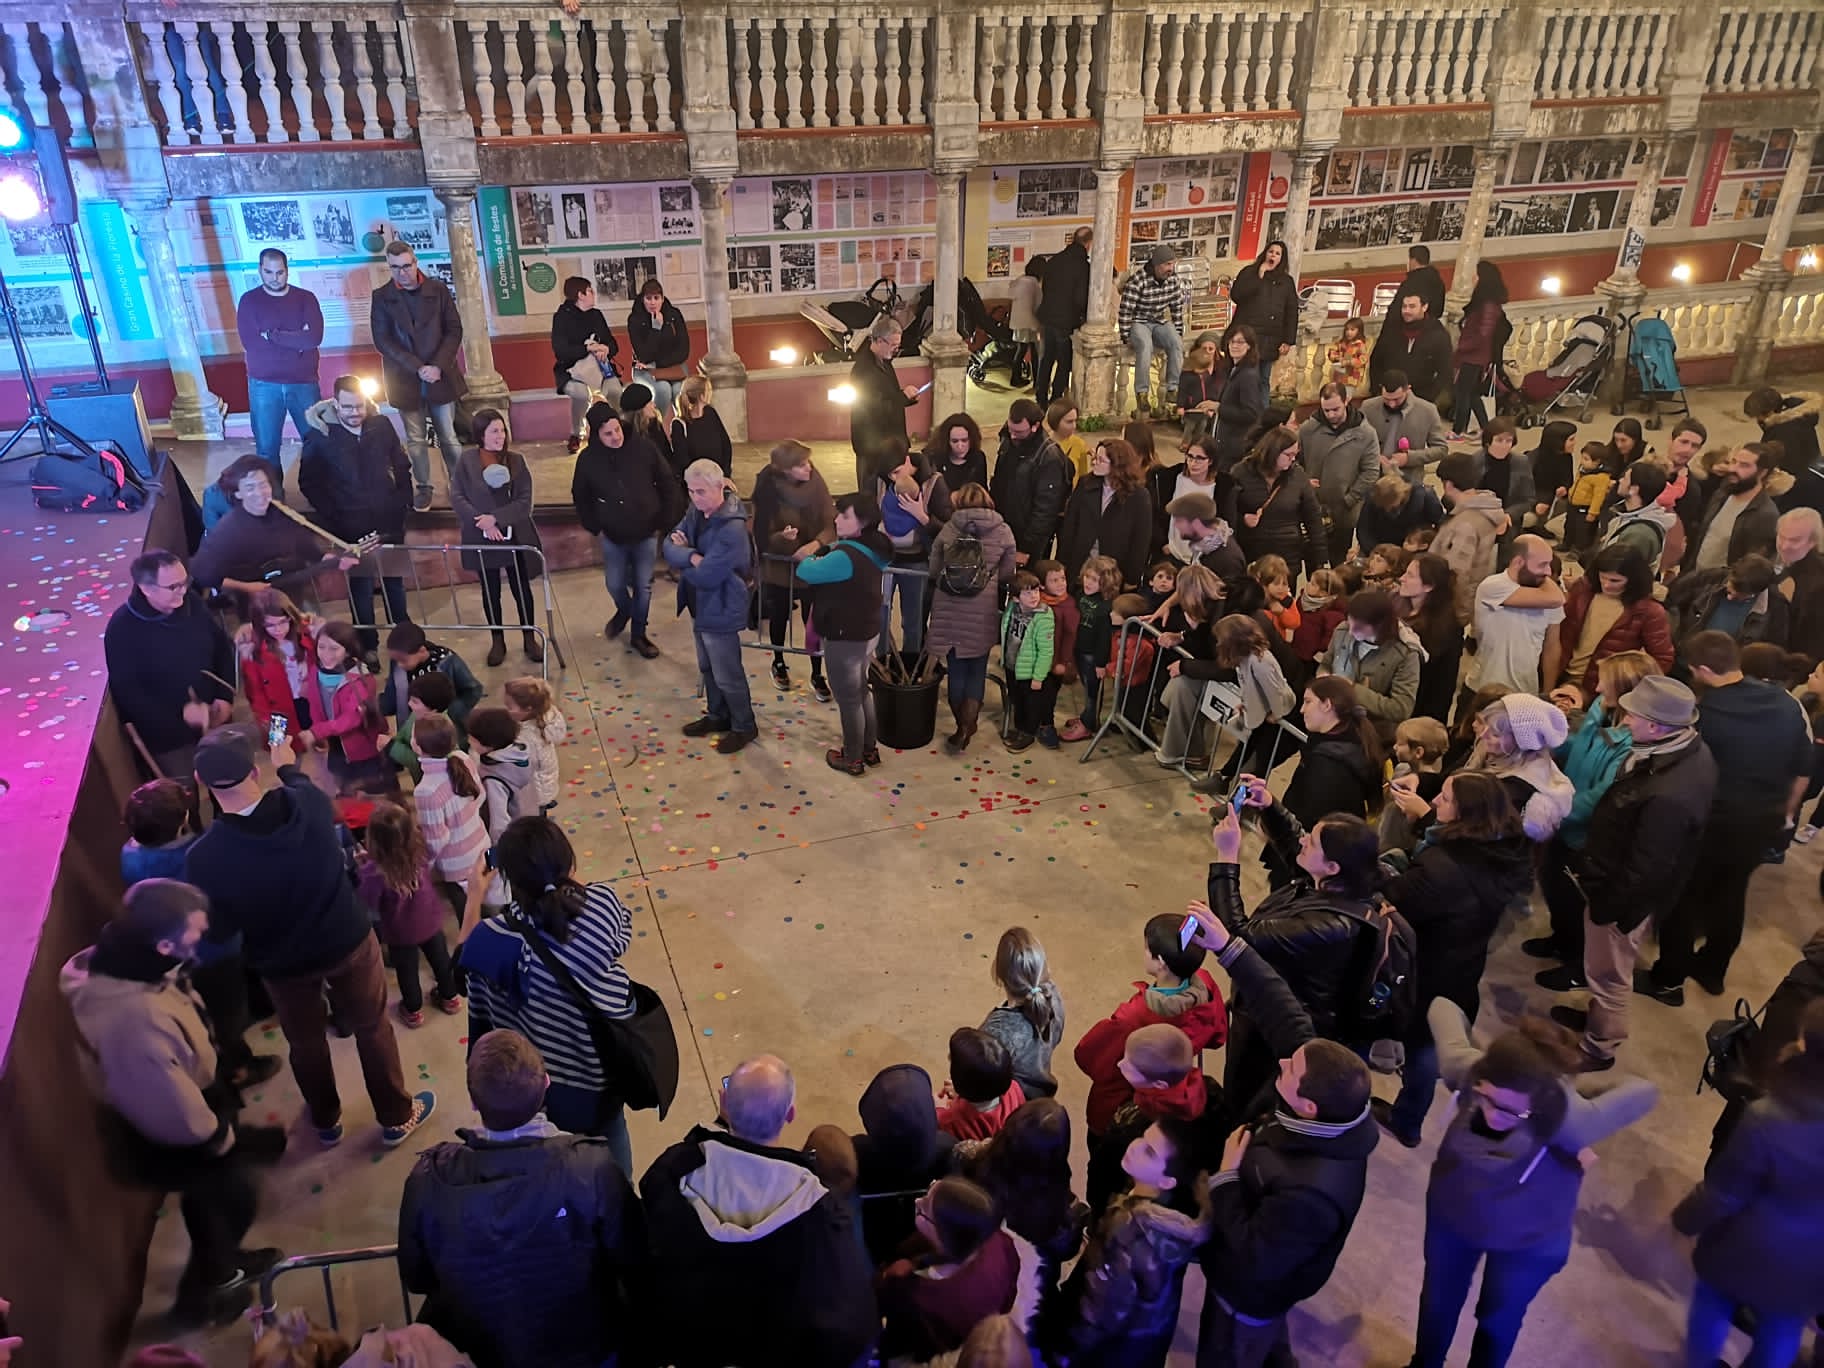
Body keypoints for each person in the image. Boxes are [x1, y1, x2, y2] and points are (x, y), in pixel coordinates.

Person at [183, 726, 434, 1146]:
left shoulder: (203, 858)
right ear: (255, 771)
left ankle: (326, 1120)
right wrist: (287, 766)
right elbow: (300, 785)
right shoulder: (310, 804)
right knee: (372, 1027)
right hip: (347, 939)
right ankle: (396, 1115)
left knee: (305, 1042)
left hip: (282, 963)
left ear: (200, 781)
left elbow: (221, 931)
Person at [61, 880, 285, 1325]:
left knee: (215, 1200)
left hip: (189, 1105)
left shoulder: (136, 964)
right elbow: (167, 1103)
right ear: (164, 944)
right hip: (175, 1131)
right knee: (230, 1198)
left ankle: (222, 1266)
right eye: (195, 931)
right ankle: (206, 1295)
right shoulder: (133, 1021)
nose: (203, 937)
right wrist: (217, 1135)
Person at [1181, 890, 1377, 1368]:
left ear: (1307, 1107)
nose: (1283, 1062)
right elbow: (1281, 1005)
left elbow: (1255, 1257)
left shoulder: (1310, 1193)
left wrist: (1227, 1178)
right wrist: (1229, 947)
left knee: (1228, 1350)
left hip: (1246, 1294)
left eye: (1289, 1070)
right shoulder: (1328, 1097)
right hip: (1270, 1251)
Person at [1408, 1005, 1658, 1368]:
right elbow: (1442, 1007)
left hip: (1527, 1240)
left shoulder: (1571, 1120)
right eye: (1487, 1098)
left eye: (1512, 1111)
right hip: (1454, 1218)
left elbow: (1645, 1090)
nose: (1493, 1115)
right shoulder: (1470, 1073)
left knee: (1497, 1320)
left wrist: (1577, 1094)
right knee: (1437, 1304)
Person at [399, 1028, 641, 1368]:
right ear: (547, 1084)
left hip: (480, 1352)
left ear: (473, 1101)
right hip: (585, 1348)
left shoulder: (429, 1179)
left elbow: (417, 1276)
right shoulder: (591, 1168)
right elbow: (633, 1258)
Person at [642, 1055, 877, 1367]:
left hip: (693, 1345)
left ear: (725, 1103)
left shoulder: (673, 1174)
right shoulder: (821, 1209)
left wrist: (718, 1126)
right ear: (790, 1114)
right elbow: (852, 1323)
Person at [1548, 676, 1716, 1070]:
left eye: (1633, 715)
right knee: (1604, 970)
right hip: (1619, 887)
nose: (1625, 720)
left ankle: (1598, 1048)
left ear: (1655, 726)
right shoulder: (1679, 750)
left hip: (1623, 902)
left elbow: (1646, 868)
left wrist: (1607, 908)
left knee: (1610, 976)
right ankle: (1596, 1021)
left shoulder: (1670, 793)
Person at [456, 816, 638, 1170]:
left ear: (509, 880)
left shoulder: (491, 941)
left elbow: (460, 972)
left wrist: (475, 895)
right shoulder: (603, 907)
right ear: (569, 864)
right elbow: (619, 929)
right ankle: (621, 1190)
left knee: (552, 1161)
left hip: (535, 1084)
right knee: (612, 1138)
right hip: (601, 1077)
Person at [1638, 631, 1810, 1003]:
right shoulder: (1786, 704)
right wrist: (1786, 812)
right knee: (1732, 893)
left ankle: (1668, 981)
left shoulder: (1705, 712)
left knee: (1684, 897)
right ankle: (1713, 970)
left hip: (1712, 822)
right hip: (1762, 821)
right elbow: (1803, 769)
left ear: (1701, 670)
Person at [1373, 772, 1536, 1147]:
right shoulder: (1502, 849)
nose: (1434, 803)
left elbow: (1398, 897)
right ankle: (1409, 1119)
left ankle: (1405, 1119)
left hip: (1427, 968)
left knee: (1420, 1046)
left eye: (1444, 799)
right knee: (1431, 1041)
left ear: (1465, 813)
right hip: (1464, 963)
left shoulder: (1440, 868)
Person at [1673, 998, 1824, 1368]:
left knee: (1712, 1304)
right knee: (1783, 1327)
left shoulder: (1767, 1117)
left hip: (1744, 1244)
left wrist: (1685, 1219)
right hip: (1813, 1262)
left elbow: (1723, 1194)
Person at [1528, 650, 1661, 986]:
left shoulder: (1633, 744)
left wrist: (1554, 811)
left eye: (1605, 683)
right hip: (1565, 821)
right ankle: (1560, 940)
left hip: (1585, 837)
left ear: (1627, 691)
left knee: (1576, 903)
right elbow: (1579, 746)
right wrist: (1548, 746)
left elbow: (1602, 795)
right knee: (1553, 886)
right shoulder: (1602, 709)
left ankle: (1577, 966)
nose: (1597, 688)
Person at [1061, 1115, 1205, 1368]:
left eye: (1149, 1152)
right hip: (1145, 1345)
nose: (1135, 1146)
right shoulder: (1172, 1216)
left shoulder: (1128, 1235)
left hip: (1110, 1354)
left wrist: (1066, 1351)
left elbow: (1102, 1311)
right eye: (1142, 1136)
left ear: (1167, 1181)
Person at [953, 1098, 1088, 1328]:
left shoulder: (971, 1158)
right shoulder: (1060, 1205)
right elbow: (1066, 1249)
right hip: (1028, 1289)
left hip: (977, 1271)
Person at [298, 375, 411, 645]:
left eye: (359, 406)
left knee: (394, 582)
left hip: (390, 520)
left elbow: (401, 463)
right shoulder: (319, 435)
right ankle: (367, 642)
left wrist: (402, 500)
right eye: (348, 407)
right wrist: (335, 516)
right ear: (335, 403)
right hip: (350, 527)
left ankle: (405, 638)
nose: (355, 413)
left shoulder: (381, 425)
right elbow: (309, 482)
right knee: (361, 587)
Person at [107, 549, 238, 781]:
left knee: (228, 780)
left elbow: (221, 647)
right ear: (146, 588)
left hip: (215, 716)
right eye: (173, 587)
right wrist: (185, 720)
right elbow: (130, 696)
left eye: (185, 582)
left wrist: (224, 696)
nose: (183, 591)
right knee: (184, 793)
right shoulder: (122, 629)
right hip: (171, 742)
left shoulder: (192, 602)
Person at [878, 1177, 1037, 1360]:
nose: (917, 1201)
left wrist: (888, 1277)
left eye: (924, 1209)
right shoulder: (1002, 1241)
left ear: (943, 1235)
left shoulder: (916, 1295)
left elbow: (901, 1335)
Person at [665, 460, 759, 755]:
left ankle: (744, 725)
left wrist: (684, 558)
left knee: (727, 673)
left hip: (721, 605)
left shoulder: (732, 528)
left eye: (701, 491)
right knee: (708, 667)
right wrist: (693, 557)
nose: (695, 497)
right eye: (691, 491)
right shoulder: (696, 511)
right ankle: (718, 715)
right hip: (700, 605)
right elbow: (668, 545)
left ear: (720, 487)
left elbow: (708, 577)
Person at [794, 493, 892, 775]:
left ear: (863, 522)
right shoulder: (875, 548)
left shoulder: (845, 557)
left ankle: (852, 757)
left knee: (849, 700)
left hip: (845, 634)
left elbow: (806, 570)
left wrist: (811, 554)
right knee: (861, 692)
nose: (837, 519)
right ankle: (869, 748)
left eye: (845, 515)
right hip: (867, 630)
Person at [571, 400, 676, 662]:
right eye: (607, 433)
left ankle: (639, 634)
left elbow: (666, 481)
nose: (615, 436)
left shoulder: (643, 447)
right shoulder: (588, 460)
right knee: (615, 583)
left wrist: (665, 518)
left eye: (617, 429)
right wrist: (594, 524)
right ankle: (625, 610)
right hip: (613, 534)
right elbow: (581, 496)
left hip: (646, 530)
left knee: (643, 585)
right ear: (596, 434)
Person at [190, 455, 359, 607]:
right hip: (256, 603)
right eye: (250, 488)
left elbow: (301, 540)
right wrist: (247, 587)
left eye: (263, 485)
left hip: (292, 590)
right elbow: (202, 574)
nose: (259, 493)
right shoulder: (228, 531)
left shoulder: (281, 513)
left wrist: (322, 557)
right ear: (238, 494)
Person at [369, 241, 464, 511]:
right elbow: (383, 340)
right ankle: (424, 487)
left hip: (440, 374)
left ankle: (460, 485)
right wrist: (418, 367)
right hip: (405, 376)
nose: (402, 273)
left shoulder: (438, 289)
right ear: (389, 267)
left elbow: (454, 330)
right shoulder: (382, 296)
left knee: (449, 437)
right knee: (415, 439)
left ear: (415, 262)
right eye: (395, 268)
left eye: (406, 266)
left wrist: (437, 366)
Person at [926, 482, 1018, 752]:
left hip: (949, 607)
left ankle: (960, 725)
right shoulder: (1003, 531)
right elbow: (1007, 573)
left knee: (956, 669)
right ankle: (969, 723)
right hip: (982, 608)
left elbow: (934, 569)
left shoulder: (949, 528)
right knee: (977, 669)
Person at [448, 407, 543, 666]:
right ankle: (497, 640)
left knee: (521, 589)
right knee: (490, 591)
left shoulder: (516, 461)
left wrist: (497, 519)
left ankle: (529, 638)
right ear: (481, 435)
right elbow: (457, 496)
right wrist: (483, 523)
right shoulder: (467, 461)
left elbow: (524, 502)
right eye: (493, 431)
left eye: (502, 430)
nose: (500, 436)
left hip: (513, 535)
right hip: (482, 536)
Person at [357, 801, 462, 1027]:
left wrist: (363, 868)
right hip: (431, 921)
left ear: (373, 840)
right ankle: (450, 997)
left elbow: (367, 901)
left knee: (407, 971)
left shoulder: (373, 873)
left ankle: (413, 1010)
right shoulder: (421, 852)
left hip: (400, 933)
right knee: (441, 960)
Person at [752, 439, 836, 696]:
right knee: (779, 616)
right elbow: (761, 534)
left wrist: (815, 544)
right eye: (801, 465)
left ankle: (817, 672)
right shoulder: (767, 489)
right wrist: (782, 538)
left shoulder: (816, 483)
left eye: (807, 461)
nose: (808, 467)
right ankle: (778, 662)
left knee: (814, 621)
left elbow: (831, 523)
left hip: (812, 565)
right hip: (779, 569)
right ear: (785, 469)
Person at [236, 248, 322, 493]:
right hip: (264, 385)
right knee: (266, 449)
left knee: (317, 444)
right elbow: (251, 343)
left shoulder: (306, 298)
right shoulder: (249, 301)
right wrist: (296, 341)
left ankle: (318, 495)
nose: (274, 278)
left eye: (280, 272)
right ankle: (274, 501)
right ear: (260, 270)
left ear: (287, 270)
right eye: (269, 272)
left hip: (304, 382)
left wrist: (272, 335)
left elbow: (314, 338)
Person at [1546, 544, 1673, 702]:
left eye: (1615, 580)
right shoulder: (1583, 590)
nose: (1606, 585)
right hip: (1560, 673)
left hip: (1602, 689)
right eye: (1603, 577)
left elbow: (1662, 659)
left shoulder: (1649, 611)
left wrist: (1624, 685)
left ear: (1633, 579)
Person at [1454, 693, 1576, 843]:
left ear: (1519, 743)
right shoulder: (1493, 753)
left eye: (1495, 734)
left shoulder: (1514, 790)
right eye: (1486, 725)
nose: (1483, 735)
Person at [875, 442, 953, 657]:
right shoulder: (881, 482)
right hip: (885, 558)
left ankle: (910, 664)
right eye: (890, 475)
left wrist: (922, 517)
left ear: (908, 459)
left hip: (917, 559)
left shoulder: (934, 483)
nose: (894, 479)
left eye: (897, 471)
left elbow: (949, 530)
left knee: (913, 618)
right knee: (880, 614)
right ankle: (882, 662)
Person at [1282, 675, 1384, 833]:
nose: (1302, 710)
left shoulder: (1329, 766)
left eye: (1308, 702)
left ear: (1327, 705)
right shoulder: (1348, 741)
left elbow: (1311, 819)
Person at [1469, 535, 1566, 697]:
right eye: (1542, 565)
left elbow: (1552, 647)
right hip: (1482, 690)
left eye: (1549, 564)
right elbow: (1558, 598)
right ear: (1518, 562)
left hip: (1525, 693)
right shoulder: (1493, 586)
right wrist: (1547, 581)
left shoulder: (1548, 597)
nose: (1548, 572)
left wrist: (1547, 693)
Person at [301, 621, 390, 792]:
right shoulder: (315, 671)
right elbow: (314, 705)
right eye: (321, 647)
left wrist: (317, 731)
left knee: (373, 792)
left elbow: (352, 718)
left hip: (362, 749)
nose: (326, 654)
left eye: (334, 649)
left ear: (348, 650)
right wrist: (319, 734)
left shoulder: (360, 679)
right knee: (345, 791)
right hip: (335, 747)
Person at [1057, 437, 1154, 593]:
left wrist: (1132, 577)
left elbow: (1140, 540)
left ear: (1117, 465)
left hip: (1113, 571)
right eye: (1095, 457)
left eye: (1100, 460)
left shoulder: (1139, 496)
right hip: (1081, 564)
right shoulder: (1085, 484)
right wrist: (1062, 561)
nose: (1094, 462)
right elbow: (1070, 525)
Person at [410, 713, 489, 903]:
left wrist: (425, 867)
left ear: (418, 747)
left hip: (456, 865)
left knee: (468, 911)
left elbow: (436, 839)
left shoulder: (426, 790)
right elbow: (480, 796)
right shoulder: (462, 758)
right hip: (481, 846)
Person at [1300, 383, 1380, 566]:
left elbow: (1370, 471)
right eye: (1326, 410)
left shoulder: (1366, 433)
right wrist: (1304, 482)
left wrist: (1349, 499)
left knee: (1339, 561)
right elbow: (1295, 461)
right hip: (1313, 507)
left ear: (1346, 401)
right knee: (1313, 560)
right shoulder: (1308, 430)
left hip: (1344, 510)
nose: (1331, 415)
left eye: (1335, 409)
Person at [980, 927, 1066, 1098]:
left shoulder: (997, 1031)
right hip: (1043, 1090)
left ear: (999, 974)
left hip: (1012, 1102)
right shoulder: (1052, 996)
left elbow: (980, 1074)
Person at [1430, 451, 1510, 626]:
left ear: (1448, 484)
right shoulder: (1489, 508)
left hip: (1451, 607)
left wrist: (1456, 613)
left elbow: (1457, 574)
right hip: (1475, 594)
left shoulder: (1464, 525)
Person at [1232, 428, 1325, 578]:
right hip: (1252, 551)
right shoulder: (1241, 473)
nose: (1293, 459)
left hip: (1288, 554)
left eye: (1295, 454)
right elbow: (1226, 511)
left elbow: (1313, 517)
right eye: (1288, 455)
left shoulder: (1297, 475)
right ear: (1273, 451)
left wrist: (1320, 557)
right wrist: (1243, 519)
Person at [1322, 587, 1419, 730]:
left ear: (1379, 626)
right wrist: (1323, 676)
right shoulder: (1342, 630)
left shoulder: (1405, 655)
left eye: (1358, 627)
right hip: (1332, 720)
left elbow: (1401, 709)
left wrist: (1351, 689)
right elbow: (1326, 663)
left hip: (1370, 730)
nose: (1350, 632)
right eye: (1349, 622)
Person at [991, 398, 1073, 566]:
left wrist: (1026, 548)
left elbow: (1045, 510)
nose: (1013, 435)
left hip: (1026, 540)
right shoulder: (1008, 439)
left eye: (1019, 432)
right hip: (1003, 528)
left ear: (1035, 426)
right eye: (1011, 429)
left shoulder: (1048, 457)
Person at [1690, 442, 1786, 573]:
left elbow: (1752, 568)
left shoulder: (1765, 515)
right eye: (1734, 462)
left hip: (1721, 583)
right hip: (1695, 576)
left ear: (1762, 472)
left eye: (1744, 465)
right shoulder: (1722, 493)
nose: (1733, 469)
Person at [551, 276, 621, 453]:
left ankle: (617, 429)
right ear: (580, 295)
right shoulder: (562, 317)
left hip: (600, 369)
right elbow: (561, 351)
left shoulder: (596, 315)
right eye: (590, 290)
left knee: (615, 390)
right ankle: (576, 433)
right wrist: (587, 348)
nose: (593, 294)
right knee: (581, 394)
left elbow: (613, 344)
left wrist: (605, 348)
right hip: (572, 372)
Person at [1667, 552, 1790, 652]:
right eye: (1731, 588)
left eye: (1740, 595)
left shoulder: (1776, 608)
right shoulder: (1708, 579)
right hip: (1684, 658)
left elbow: (1773, 650)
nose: (1730, 598)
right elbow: (1670, 599)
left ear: (1758, 592)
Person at [849, 313, 920, 485]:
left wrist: (907, 398)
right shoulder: (863, 370)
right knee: (873, 491)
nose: (896, 349)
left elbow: (889, 396)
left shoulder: (885, 362)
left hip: (891, 442)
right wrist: (902, 397)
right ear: (879, 341)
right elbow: (873, 407)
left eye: (898, 345)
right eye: (893, 345)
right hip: (873, 446)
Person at [1119, 245, 1186, 419]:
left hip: (1159, 320)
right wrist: (1126, 335)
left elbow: (1177, 308)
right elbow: (1126, 310)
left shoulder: (1173, 280)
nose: (1171, 268)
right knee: (1145, 346)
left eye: (1172, 264)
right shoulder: (1138, 280)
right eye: (1167, 264)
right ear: (1156, 265)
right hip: (1139, 320)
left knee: (1176, 343)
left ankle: (1173, 388)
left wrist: (1178, 331)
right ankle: (1142, 393)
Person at [380, 621, 483, 732]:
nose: (399, 665)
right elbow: (392, 694)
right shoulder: (399, 662)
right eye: (395, 660)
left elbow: (473, 690)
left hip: (445, 730)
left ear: (421, 651)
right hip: (412, 728)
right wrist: (377, 708)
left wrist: (450, 713)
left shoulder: (448, 662)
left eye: (403, 660)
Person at [1397, 552, 1463, 723]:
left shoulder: (1447, 628)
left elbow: (1443, 686)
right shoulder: (1397, 609)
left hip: (1418, 711)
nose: (1402, 578)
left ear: (1428, 586)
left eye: (1410, 575)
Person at [1228, 240, 1300, 390]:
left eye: (1277, 253)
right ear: (1265, 253)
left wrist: (1288, 340)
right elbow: (1237, 295)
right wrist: (1259, 276)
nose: (1273, 255)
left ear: (1282, 259)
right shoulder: (1249, 272)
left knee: (1263, 379)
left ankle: (1261, 406)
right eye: (1271, 251)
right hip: (1249, 335)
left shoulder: (1286, 281)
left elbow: (1291, 311)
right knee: (1247, 377)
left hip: (1271, 337)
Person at [1449, 261, 1508, 439]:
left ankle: (1458, 431)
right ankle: (1485, 428)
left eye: (1476, 274)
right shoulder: (1489, 303)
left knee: (1462, 393)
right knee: (1472, 394)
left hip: (1474, 356)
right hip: (1477, 355)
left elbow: (1483, 333)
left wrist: (1463, 346)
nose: (1473, 278)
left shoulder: (1487, 304)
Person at [1000, 570, 1057, 753]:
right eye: (1027, 593)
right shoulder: (1012, 608)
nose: (1034, 596)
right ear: (1016, 598)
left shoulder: (1044, 616)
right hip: (1012, 666)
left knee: (1031, 705)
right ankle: (1019, 730)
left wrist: (1038, 677)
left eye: (1036, 591)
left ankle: (1028, 734)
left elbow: (1046, 651)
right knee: (1017, 701)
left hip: (1030, 672)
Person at [1361, 369, 1448, 486]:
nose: (1392, 404)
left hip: (1408, 482)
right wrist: (1374, 457)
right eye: (1386, 399)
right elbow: (1356, 441)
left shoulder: (1427, 410)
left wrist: (1409, 458)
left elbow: (1441, 449)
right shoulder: (1368, 407)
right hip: (1371, 478)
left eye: (1396, 399)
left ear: (1408, 389)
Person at [937, 1028, 1027, 1141]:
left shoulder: (949, 1121)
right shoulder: (1014, 1088)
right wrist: (960, 1096)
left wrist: (938, 1108)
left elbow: (943, 1123)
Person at [1035, 225, 1091, 407]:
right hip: (1066, 321)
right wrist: (1082, 317)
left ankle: (1040, 397)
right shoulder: (1083, 266)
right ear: (1088, 244)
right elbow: (1081, 297)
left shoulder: (1054, 261)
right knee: (1064, 362)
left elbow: (1045, 288)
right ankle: (1056, 398)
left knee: (1047, 358)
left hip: (1048, 317)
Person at [625, 277, 691, 420]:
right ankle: (655, 425)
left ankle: (683, 425)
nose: (653, 302)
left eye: (656, 298)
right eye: (648, 298)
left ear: (662, 299)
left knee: (679, 391)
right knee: (663, 390)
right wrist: (656, 328)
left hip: (673, 368)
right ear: (643, 299)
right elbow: (643, 355)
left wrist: (658, 363)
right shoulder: (635, 319)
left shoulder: (674, 315)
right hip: (645, 371)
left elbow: (684, 350)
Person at [1744, 383, 1823, 499]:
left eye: (1758, 416)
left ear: (1769, 412)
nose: (1758, 420)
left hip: (1797, 484)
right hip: (1810, 471)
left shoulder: (1784, 431)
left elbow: (1784, 462)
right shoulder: (1795, 417)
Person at [1369, 293, 1452, 403]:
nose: (1406, 311)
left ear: (1424, 307)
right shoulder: (1391, 330)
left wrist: (1431, 396)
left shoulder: (1438, 334)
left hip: (1422, 397)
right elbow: (1376, 360)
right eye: (1404, 306)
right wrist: (1378, 389)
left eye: (1412, 306)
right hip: (1389, 395)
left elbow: (1445, 370)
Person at [1598, 460, 1675, 574]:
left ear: (1634, 489)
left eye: (1625, 478)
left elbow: (1618, 574)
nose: (1620, 480)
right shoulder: (1625, 516)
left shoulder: (1639, 535)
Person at [1211, 325, 1268, 469]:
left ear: (1249, 346)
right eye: (1232, 341)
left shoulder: (1248, 376)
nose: (1235, 345)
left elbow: (1251, 413)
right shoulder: (1234, 370)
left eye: (1240, 342)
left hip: (1234, 447)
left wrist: (1219, 408)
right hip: (1225, 443)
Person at [1164, 491, 1247, 581]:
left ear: (1196, 523)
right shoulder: (1201, 547)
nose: (1176, 525)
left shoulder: (1228, 561)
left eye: (1179, 521)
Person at [1356, 472, 1444, 553]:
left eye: (1390, 506)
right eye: (1383, 507)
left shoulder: (1425, 496)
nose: (1387, 509)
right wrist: (1375, 551)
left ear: (1402, 494)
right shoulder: (1374, 498)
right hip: (1383, 548)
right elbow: (1364, 530)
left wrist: (1426, 546)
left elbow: (1440, 524)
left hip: (1414, 548)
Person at [670, 375, 733, 479]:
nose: (711, 392)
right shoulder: (678, 425)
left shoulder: (710, 412)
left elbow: (725, 444)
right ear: (702, 396)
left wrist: (725, 474)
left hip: (719, 477)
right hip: (697, 482)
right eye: (709, 389)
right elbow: (683, 461)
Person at [1176, 332, 1224, 448]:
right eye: (1204, 348)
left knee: (1201, 427)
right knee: (1189, 428)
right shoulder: (1188, 373)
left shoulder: (1220, 369)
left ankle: (1197, 443)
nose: (1207, 352)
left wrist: (1212, 407)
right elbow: (1182, 390)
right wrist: (1180, 406)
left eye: (1210, 349)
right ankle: (1186, 443)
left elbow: (1215, 392)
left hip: (1205, 411)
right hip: (1191, 409)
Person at [929, 411, 990, 495]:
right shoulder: (935, 459)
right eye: (955, 441)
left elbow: (982, 491)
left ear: (971, 439)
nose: (960, 446)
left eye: (964, 440)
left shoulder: (978, 458)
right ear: (946, 441)